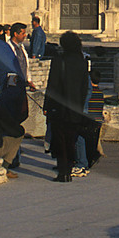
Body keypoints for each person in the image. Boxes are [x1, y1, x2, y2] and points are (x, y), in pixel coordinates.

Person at [44, 31, 94, 182]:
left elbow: (52, 85)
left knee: (60, 140)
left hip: (59, 107)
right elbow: (85, 86)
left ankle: (63, 172)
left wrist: (47, 105)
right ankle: (70, 169)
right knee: (71, 140)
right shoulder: (82, 61)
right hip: (75, 108)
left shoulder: (59, 60)